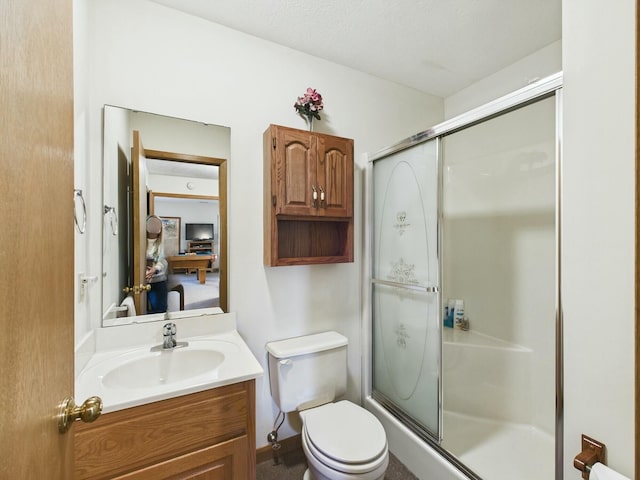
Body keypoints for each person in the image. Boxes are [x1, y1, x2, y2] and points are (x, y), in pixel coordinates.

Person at [145, 215, 168, 313]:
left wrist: (155, 269)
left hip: (158, 280)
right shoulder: (140, 242)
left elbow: (163, 260)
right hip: (142, 280)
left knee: (159, 310)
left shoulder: (163, 243)